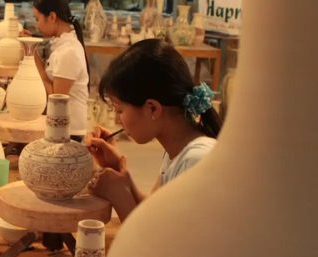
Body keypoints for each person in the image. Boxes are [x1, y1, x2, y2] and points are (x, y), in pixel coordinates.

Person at [87, 38, 221, 222]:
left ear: (152, 109)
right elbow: (153, 212)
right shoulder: (177, 151)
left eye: (119, 110)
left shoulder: (196, 161)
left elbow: (159, 238)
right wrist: (120, 174)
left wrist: (118, 194)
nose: (118, 120)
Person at [29, 0, 90, 142]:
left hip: (70, 131)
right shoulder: (61, 44)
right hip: (61, 126)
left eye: (37, 19)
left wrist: (33, 55)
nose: (36, 25)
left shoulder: (69, 52)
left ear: (52, 17)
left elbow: (56, 101)